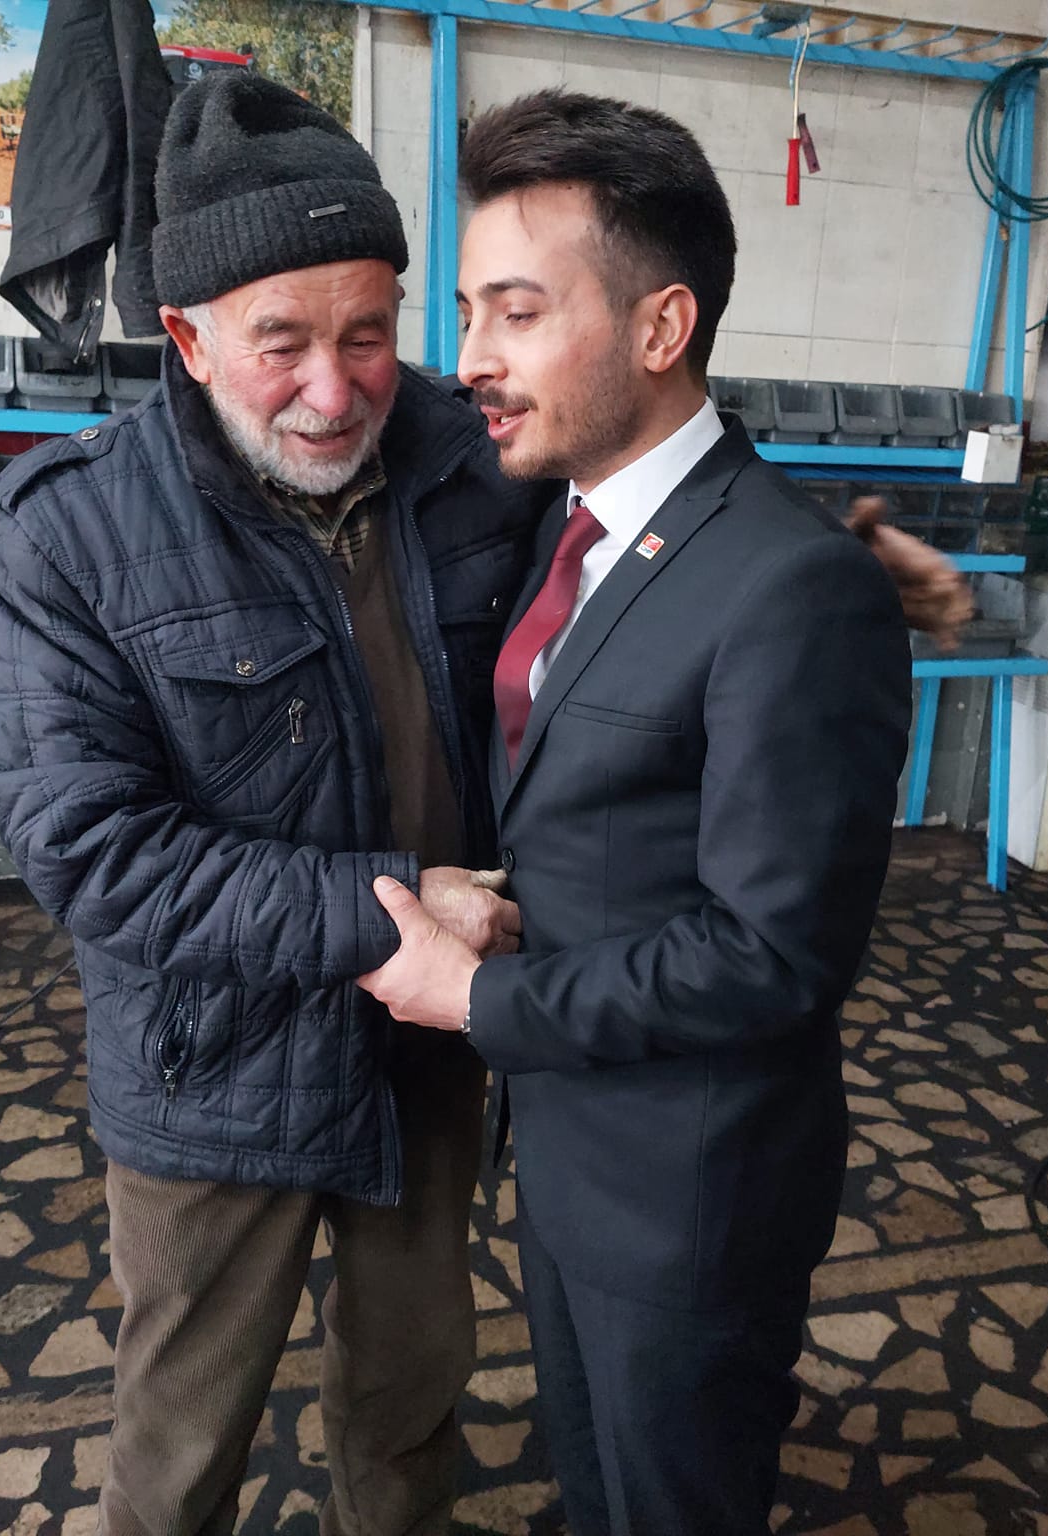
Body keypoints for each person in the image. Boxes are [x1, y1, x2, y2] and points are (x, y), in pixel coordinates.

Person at [0, 72, 536, 1536]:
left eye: (369, 335)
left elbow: (651, 494)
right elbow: (94, 851)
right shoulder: (69, 531)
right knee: (179, 1443)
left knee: (412, 1395)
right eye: (282, 344)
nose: (335, 391)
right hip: (212, 1062)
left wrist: (834, 558)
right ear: (188, 335)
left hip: (429, 1049)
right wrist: (392, 915)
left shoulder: (474, 463)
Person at [358, 90, 913, 1536]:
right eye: (469, 312)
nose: (472, 359)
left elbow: (776, 952)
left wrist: (479, 1002)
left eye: (519, 312)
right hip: (570, 1144)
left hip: (691, 1191)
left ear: (663, 328)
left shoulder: (794, 586)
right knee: (596, 1483)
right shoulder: (571, 522)